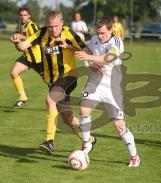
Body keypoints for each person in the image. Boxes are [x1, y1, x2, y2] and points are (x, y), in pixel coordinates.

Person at [11, 10, 96, 155]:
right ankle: (89, 139)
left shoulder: (69, 33)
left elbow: (88, 51)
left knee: (50, 99)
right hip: (53, 81)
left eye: (56, 26)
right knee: (67, 118)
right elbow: (23, 46)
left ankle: (49, 141)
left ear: (62, 23)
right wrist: (17, 42)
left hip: (69, 76)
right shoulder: (41, 33)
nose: (53, 29)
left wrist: (68, 46)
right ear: (46, 25)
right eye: (50, 26)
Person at [75, 16, 140, 167]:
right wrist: (90, 62)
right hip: (94, 82)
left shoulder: (116, 41)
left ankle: (135, 157)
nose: (100, 36)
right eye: (98, 33)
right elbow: (85, 50)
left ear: (111, 30)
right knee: (84, 108)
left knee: (118, 124)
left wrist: (89, 58)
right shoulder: (94, 39)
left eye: (103, 33)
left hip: (112, 87)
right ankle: (87, 143)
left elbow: (109, 57)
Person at [10, 7, 42, 108]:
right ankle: (23, 97)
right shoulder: (21, 26)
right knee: (14, 73)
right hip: (27, 56)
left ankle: (63, 97)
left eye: (25, 15)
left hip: (38, 58)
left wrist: (20, 36)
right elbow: (20, 48)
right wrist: (16, 42)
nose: (23, 17)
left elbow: (37, 39)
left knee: (50, 82)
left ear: (29, 16)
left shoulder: (31, 25)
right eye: (21, 15)